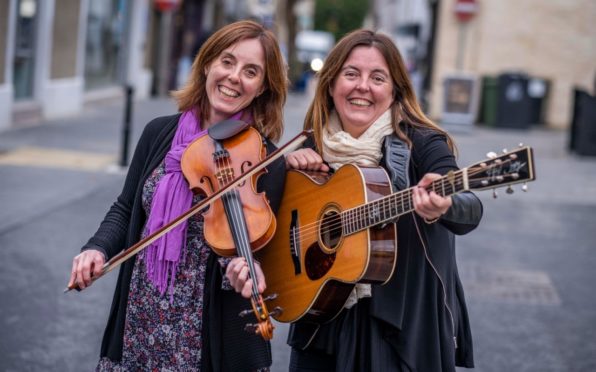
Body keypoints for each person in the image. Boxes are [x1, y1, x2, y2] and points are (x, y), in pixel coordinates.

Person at [227, 29, 483, 371]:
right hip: (320, 328)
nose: (363, 86)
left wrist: (446, 204)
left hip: (397, 334)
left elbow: (470, 207)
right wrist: (282, 172)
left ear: (394, 92)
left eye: (378, 77)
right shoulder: (309, 147)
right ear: (331, 86)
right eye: (351, 74)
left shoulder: (421, 144)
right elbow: (267, 226)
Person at [67, 20, 288, 371]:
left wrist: (244, 269)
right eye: (227, 62)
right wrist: (96, 247)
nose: (234, 77)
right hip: (141, 317)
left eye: (251, 71)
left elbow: (258, 250)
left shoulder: (267, 162)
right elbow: (126, 209)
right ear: (207, 65)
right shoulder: (158, 134)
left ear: (262, 88)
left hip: (207, 333)